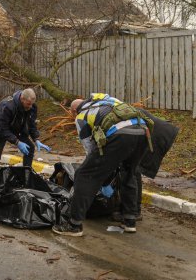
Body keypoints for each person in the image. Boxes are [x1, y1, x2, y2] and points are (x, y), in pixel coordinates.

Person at [52, 93, 153, 237]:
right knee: (128, 172)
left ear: (73, 111)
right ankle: (130, 220)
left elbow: (91, 150)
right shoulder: (105, 99)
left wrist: (100, 176)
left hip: (120, 134)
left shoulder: (81, 117)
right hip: (143, 131)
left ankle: (74, 225)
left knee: (84, 175)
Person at [0, 88, 52, 168]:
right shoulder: (7, 106)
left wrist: (36, 139)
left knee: (30, 147)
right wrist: (17, 142)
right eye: (28, 104)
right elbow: (2, 129)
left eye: (32, 104)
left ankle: (26, 173)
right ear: (22, 99)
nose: (30, 106)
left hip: (16, 127)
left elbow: (31, 124)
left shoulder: (31, 107)